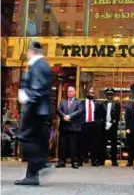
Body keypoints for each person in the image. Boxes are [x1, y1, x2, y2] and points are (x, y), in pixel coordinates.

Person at [14, 40, 53, 185]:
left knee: (25, 138)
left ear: (32, 52)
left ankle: (40, 164)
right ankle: (32, 176)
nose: (27, 54)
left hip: (35, 109)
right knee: (35, 140)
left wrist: (26, 99)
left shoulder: (38, 65)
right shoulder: (40, 65)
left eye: (28, 51)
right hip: (39, 109)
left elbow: (36, 90)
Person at [56, 86, 83, 169]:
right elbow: (58, 110)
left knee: (73, 146)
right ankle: (61, 161)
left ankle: (74, 162)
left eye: (71, 91)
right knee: (62, 145)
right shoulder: (63, 101)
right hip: (64, 127)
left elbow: (79, 111)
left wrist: (70, 116)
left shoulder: (79, 102)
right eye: (68, 91)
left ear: (75, 92)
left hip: (74, 127)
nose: (69, 93)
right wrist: (64, 116)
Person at [81, 88, 104, 166]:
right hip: (85, 124)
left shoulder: (98, 103)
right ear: (87, 93)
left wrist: (99, 123)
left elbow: (101, 114)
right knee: (84, 142)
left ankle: (94, 160)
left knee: (94, 143)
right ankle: (84, 158)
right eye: (91, 93)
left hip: (95, 125)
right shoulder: (82, 103)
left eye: (93, 93)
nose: (92, 94)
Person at [101, 88, 120, 166]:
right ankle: (102, 159)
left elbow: (118, 116)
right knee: (102, 143)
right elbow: (101, 114)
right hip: (104, 125)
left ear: (113, 95)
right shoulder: (102, 104)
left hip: (113, 126)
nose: (109, 96)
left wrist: (112, 123)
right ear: (106, 95)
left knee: (114, 144)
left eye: (111, 94)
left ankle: (114, 160)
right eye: (108, 94)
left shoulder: (117, 104)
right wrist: (104, 122)